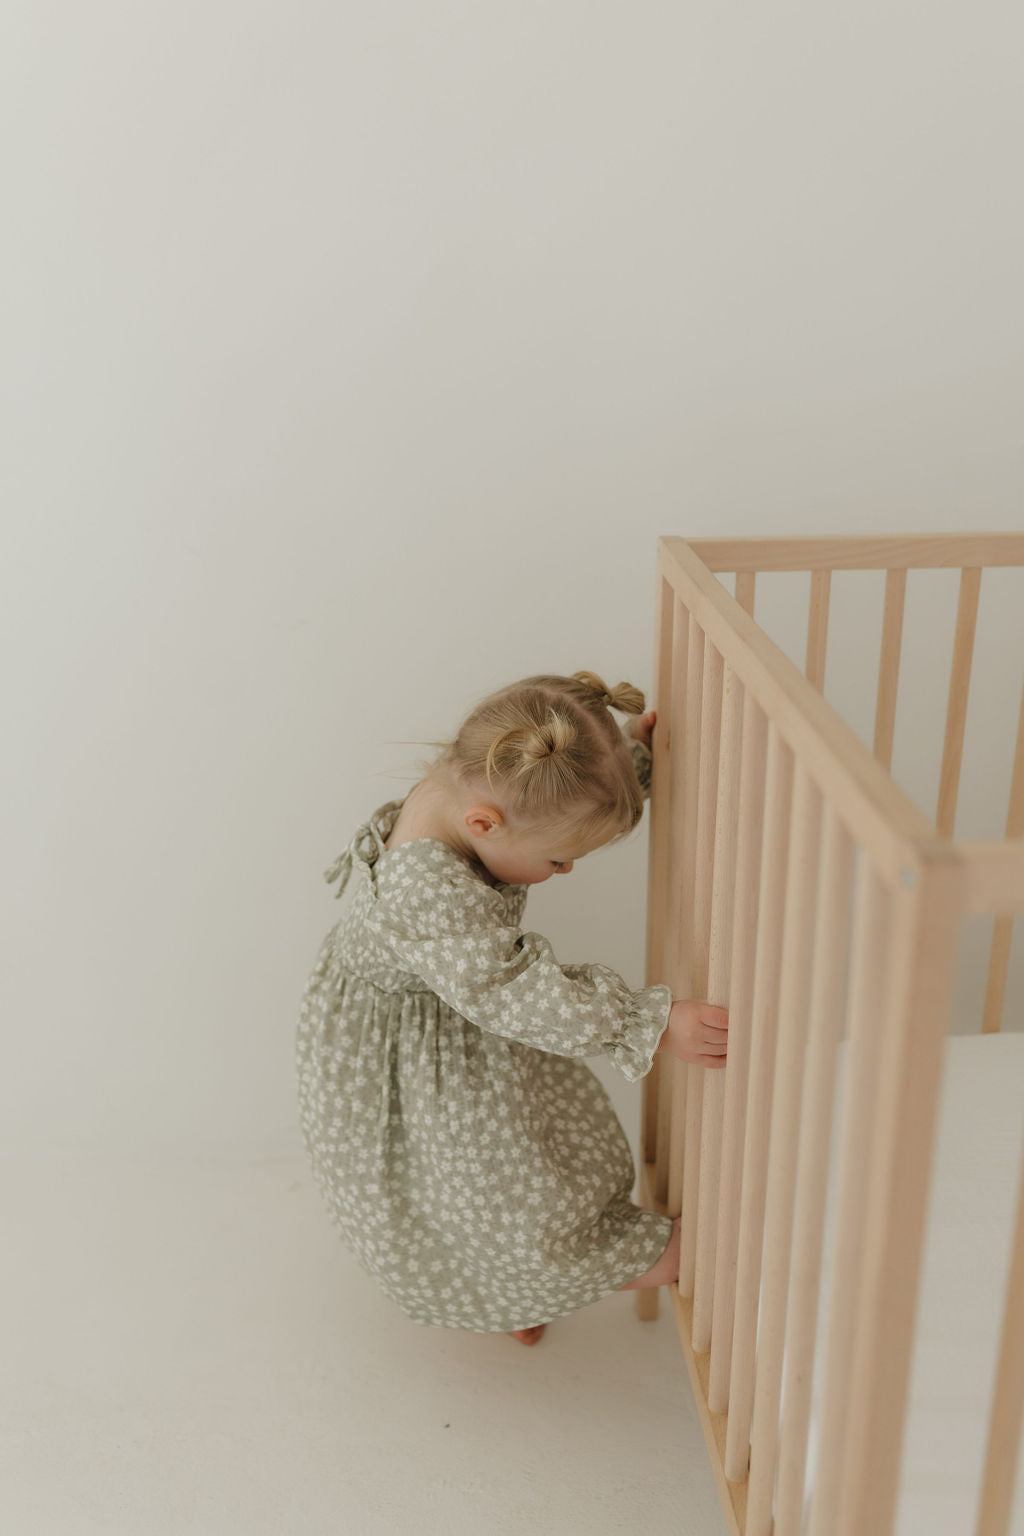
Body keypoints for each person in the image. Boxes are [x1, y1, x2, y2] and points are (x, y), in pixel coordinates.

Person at [296, 671, 728, 1346]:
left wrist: (629, 764)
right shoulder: (428, 889)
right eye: (558, 861)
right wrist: (650, 1021)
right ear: (483, 826)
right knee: (505, 1202)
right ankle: (636, 1262)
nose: (566, 873)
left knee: (529, 1163)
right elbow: (520, 990)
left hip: (453, 1017)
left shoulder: (468, 778)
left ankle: (515, 1291)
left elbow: (551, 790)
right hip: (414, 1053)